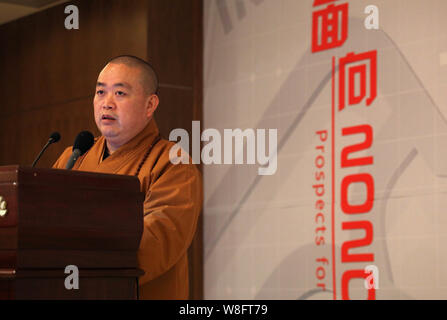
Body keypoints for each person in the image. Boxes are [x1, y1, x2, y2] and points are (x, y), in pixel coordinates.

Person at [52, 55, 203, 299]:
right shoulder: (73, 157)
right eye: (100, 92)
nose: (107, 103)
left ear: (150, 105)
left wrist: (74, 261)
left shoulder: (173, 162)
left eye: (120, 93)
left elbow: (157, 240)